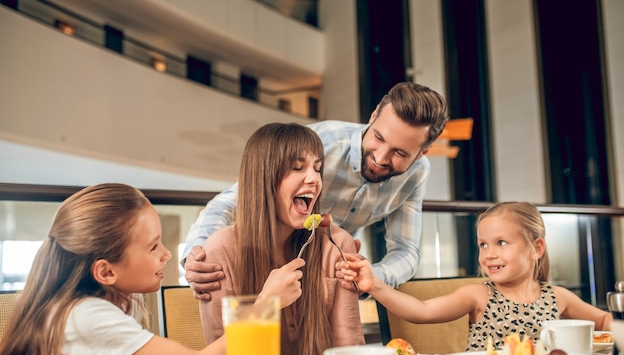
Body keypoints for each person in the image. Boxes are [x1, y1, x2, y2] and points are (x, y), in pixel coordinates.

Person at [0, 183, 302, 355]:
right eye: (153, 247)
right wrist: (265, 304)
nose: (167, 254)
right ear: (106, 272)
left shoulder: (124, 300)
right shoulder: (85, 316)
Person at [184, 81, 450, 300]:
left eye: (400, 152)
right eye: (378, 138)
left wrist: (371, 277)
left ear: (422, 153)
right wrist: (197, 253)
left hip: (326, 283)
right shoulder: (322, 142)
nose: (380, 158)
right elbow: (230, 203)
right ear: (372, 117)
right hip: (259, 271)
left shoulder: (417, 173)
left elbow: (406, 250)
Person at [199, 122, 365, 355]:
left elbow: (349, 349)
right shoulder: (219, 253)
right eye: (297, 168)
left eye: (317, 169)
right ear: (263, 178)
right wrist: (267, 305)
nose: (314, 179)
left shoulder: (336, 245)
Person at [338, 201, 613, 350]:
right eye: (483, 244)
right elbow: (422, 311)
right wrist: (375, 285)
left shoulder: (558, 297)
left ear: (536, 248)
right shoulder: (479, 295)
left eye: (501, 243)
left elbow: (602, 319)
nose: (489, 254)